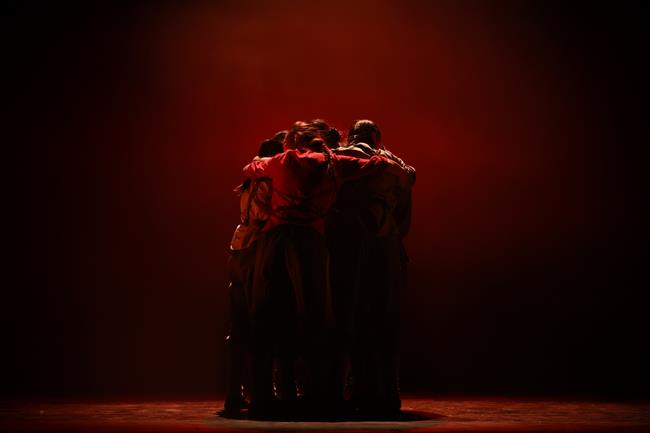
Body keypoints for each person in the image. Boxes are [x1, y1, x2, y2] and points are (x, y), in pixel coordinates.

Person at [243, 120, 410, 418]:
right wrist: (393, 162)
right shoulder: (333, 162)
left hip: (275, 240)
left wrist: (261, 162)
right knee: (317, 316)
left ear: (295, 142)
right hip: (310, 241)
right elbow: (381, 167)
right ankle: (323, 394)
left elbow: (250, 168)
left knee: (266, 312)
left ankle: (265, 397)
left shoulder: (283, 160)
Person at [328, 119, 415, 415]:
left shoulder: (337, 158)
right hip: (384, 241)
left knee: (344, 311)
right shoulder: (396, 167)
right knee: (384, 315)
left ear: (352, 136)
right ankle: (387, 390)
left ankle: (338, 390)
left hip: (346, 241)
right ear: (377, 138)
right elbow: (404, 214)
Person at [223, 132, 285, 415]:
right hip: (255, 249)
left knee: (239, 325)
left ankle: (235, 391)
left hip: (239, 248)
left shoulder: (251, 180)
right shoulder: (267, 180)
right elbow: (266, 216)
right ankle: (262, 391)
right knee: (262, 320)